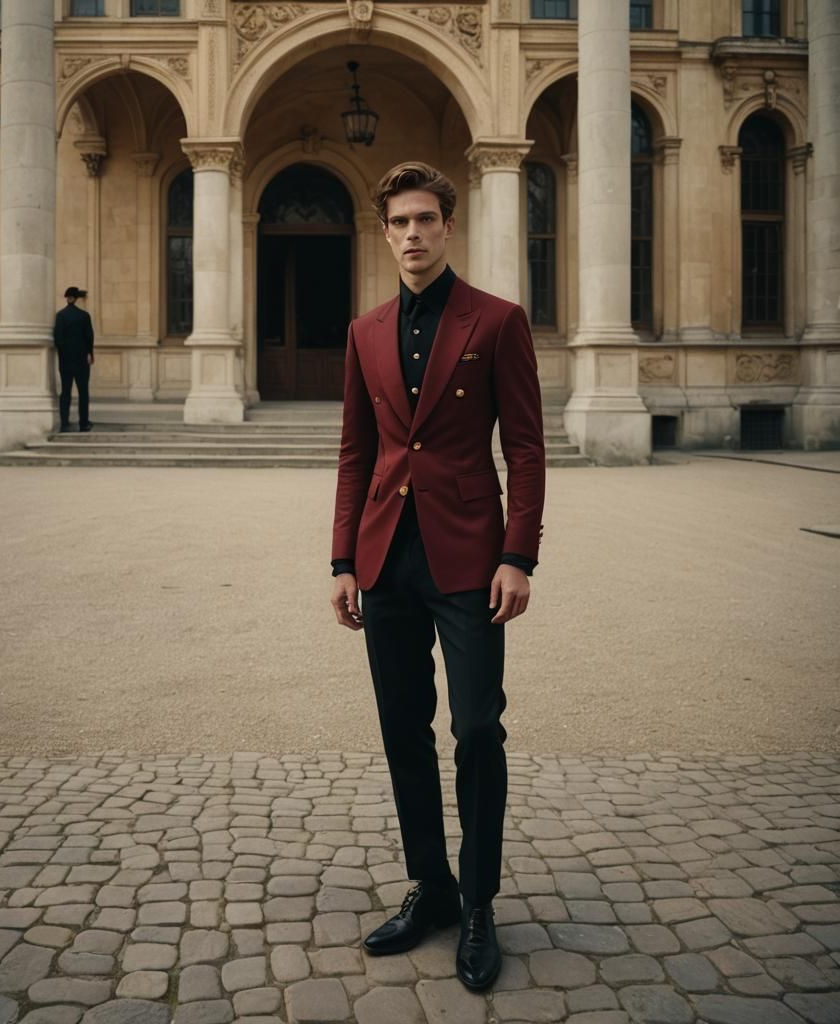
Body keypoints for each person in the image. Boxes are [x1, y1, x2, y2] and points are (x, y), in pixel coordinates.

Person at [329, 161, 545, 991]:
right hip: (386, 558)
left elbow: (524, 447)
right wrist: (343, 559)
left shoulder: (497, 321)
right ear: (383, 232)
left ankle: (481, 901)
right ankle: (435, 888)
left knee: (477, 731)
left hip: (468, 557)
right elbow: (356, 454)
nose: (412, 234)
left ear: (447, 226)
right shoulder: (364, 331)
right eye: (399, 223)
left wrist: (518, 555)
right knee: (402, 732)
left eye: (425, 219)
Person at [53, 286, 94, 433]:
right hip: (82, 359)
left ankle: (64, 423)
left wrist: (63, 355)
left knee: (65, 392)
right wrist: (90, 354)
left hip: (65, 361)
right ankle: (84, 423)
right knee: (83, 392)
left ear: (67, 298)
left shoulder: (60, 316)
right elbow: (89, 337)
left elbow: (57, 339)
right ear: (76, 298)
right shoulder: (84, 316)